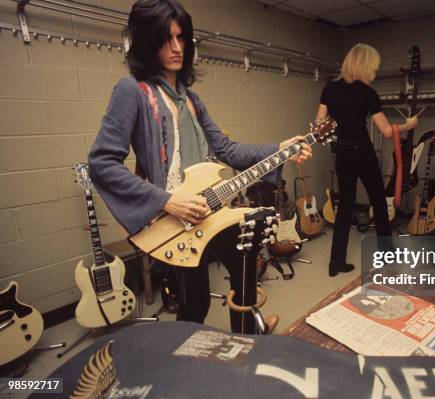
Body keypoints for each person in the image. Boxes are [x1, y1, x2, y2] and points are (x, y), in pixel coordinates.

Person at [88, 0, 312, 333]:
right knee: (196, 303)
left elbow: (225, 149)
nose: (178, 47)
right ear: (149, 41)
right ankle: (186, 367)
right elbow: (102, 163)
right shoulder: (132, 91)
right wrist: (165, 200)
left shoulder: (192, 99)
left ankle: (247, 336)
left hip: (214, 207)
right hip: (175, 217)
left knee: (246, 273)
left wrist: (279, 149)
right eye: (167, 39)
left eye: (182, 37)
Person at [315, 43, 418, 277]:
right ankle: (388, 258)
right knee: (379, 202)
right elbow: (386, 130)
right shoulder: (367, 92)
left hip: (342, 152)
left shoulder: (329, 88)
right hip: (362, 152)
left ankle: (335, 263)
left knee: (345, 207)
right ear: (366, 65)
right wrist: (409, 125)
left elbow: (319, 127)